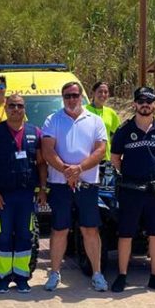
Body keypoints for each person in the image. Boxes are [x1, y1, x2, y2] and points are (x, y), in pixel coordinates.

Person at [42, 82, 108, 292]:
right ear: (63, 98)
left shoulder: (95, 121)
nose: (71, 99)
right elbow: (47, 151)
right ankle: (54, 273)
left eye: (74, 95)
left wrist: (79, 169)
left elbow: (100, 150)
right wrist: (67, 171)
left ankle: (97, 274)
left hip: (87, 184)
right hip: (60, 184)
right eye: (67, 96)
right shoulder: (52, 120)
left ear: (82, 97)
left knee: (90, 229)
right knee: (59, 229)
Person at [109, 86, 155, 294]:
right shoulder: (124, 131)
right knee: (126, 233)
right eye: (141, 100)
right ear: (135, 104)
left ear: (154, 105)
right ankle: (122, 276)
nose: (145, 104)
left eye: (149, 100)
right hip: (131, 189)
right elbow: (115, 159)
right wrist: (130, 175)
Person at [0, 94, 48, 293]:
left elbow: (41, 163)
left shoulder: (35, 132)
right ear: (6, 108)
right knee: (2, 237)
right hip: (3, 196)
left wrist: (43, 189)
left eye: (20, 106)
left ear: (24, 109)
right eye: (12, 106)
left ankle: (21, 277)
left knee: (24, 236)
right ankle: (3, 277)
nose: (16, 109)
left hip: (26, 196)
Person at [85, 81, 121, 162]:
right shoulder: (83, 110)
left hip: (106, 158)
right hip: (86, 158)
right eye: (100, 92)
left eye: (106, 92)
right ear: (93, 93)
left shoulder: (111, 113)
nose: (103, 94)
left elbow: (118, 136)